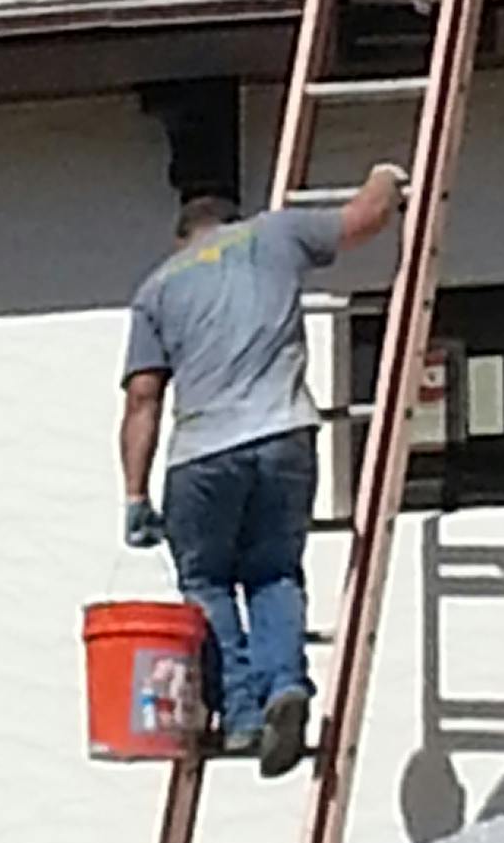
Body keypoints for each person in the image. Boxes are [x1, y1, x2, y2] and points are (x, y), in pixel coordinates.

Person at [119, 162, 406, 778]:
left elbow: (143, 400)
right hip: (283, 434)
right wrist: (384, 176)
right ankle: (286, 687)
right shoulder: (274, 234)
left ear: (182, 238)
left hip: (201, 454)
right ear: (230, 222)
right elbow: (365, 219)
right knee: (275, 571)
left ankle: (245, 717)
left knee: (208, 583)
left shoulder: (157, 289)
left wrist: (135, 495)